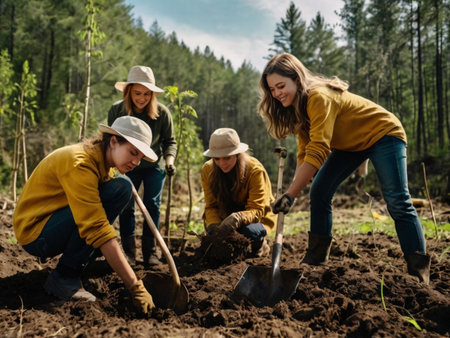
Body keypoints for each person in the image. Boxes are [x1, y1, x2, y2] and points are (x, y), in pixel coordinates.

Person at [258, 53, 430, 284]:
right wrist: (293, 192)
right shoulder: (298, 109)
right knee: (319, 191)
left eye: (281, 86)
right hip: (351, 145)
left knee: (397, 200)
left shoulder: (319, 97)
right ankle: (315, 260)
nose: (277, 93)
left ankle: (419, 272)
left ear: (297, 80)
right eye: (272, 89)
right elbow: (305, 153)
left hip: (384, 134)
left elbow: (319, 149)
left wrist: (290, 194)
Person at [13, 116, 157, 313]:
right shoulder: (80, 163)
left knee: (121, 187)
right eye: (133, 152)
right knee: (114, 195)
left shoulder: (104, 166)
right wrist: (134, 285)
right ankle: (64, 276)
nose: (135, 162)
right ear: (113, 141)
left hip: (53, 222)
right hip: (36, 233)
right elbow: (95, 226)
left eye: (140, 158)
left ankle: (82, 260)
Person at [108, 65, 177, 266]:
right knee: (126, 204)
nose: (142, 98)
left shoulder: (162, 113)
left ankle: (150, 253)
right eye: (138, 93)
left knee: (152, 206)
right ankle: (129, 253)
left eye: (147, 94)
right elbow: (111, 140)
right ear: (129, 91)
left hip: (153, 165)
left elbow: (169, 141)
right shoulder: (117, 110)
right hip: (126, 164)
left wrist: (170, 161)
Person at [201, 128, 276, 256]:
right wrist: (215, 227)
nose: (222, 163)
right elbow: (211, 206)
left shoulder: (254, 171)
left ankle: (260, 245)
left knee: (248, 232)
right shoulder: (208, 170)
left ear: (237, 154)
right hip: (225, 216)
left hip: (256, 217)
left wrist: (238, 218)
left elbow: (257, 210)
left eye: (227, 158)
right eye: (217, 159)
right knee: (213, 234)